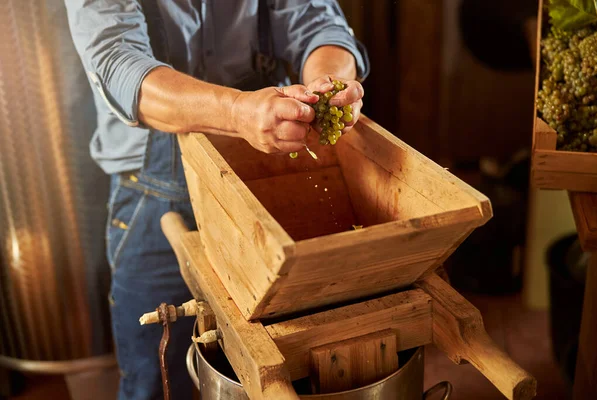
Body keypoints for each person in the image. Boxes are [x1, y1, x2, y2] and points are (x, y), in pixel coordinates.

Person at [64, 1, 369, 399]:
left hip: (261, 177)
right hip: (153, 196)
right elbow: (119, 62)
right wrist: (239, 111)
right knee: (154, 382)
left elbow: (318, 23)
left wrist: (329, 83)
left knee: (284, 363)